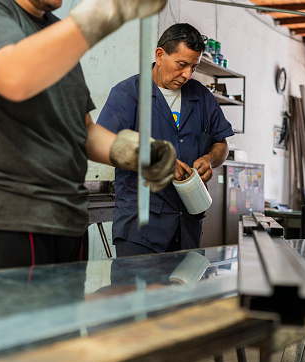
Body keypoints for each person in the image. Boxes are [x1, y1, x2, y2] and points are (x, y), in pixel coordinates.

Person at [0, 0, 176, 270]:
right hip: (11, 222)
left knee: (65, 332)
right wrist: (111, 5)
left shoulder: (55, 32)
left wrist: (133, 152)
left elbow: (81, 129)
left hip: (68, 225)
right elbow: (13, 77)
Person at [97, 23, 234, 257]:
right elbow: (104, 146)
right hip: (140, 229)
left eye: (194, 66)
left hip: (187, 227)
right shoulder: (128, 94)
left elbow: (222, 143)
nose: (187, 74)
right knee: (138, 293)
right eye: (182, 65)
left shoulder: (201, 96)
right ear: (160, 55)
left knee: (184, 294)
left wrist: (210, 159)